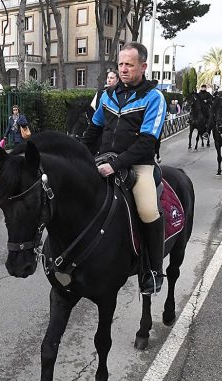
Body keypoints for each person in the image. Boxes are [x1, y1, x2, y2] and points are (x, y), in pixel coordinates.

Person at [81, 42, 167, 295]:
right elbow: (94, 131)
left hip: (138, 165)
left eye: (129, 64)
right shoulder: (107, 95)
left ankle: (153, 270)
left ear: (143, 66)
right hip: (103, 160)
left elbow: (147, 143)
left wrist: (115, 165)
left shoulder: (155, 97)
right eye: (120, 64)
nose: (123, 69)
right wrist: (78, 155)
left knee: (149, 210)